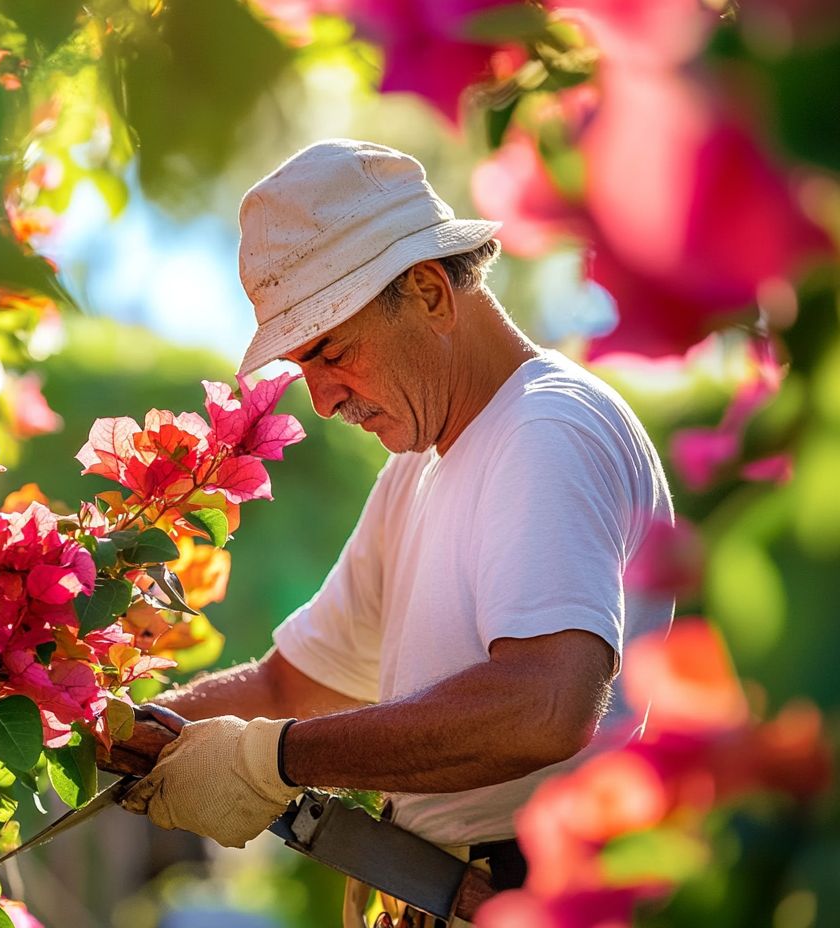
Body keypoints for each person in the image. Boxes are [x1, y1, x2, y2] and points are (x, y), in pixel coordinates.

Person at [120, 139, 675, 927]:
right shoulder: (416, 471)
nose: (318, 401)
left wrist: (271, 760)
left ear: (428, 293)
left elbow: (548, 704)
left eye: (332, 353)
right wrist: (120, 734)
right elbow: (292, 685)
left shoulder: (546, 430)